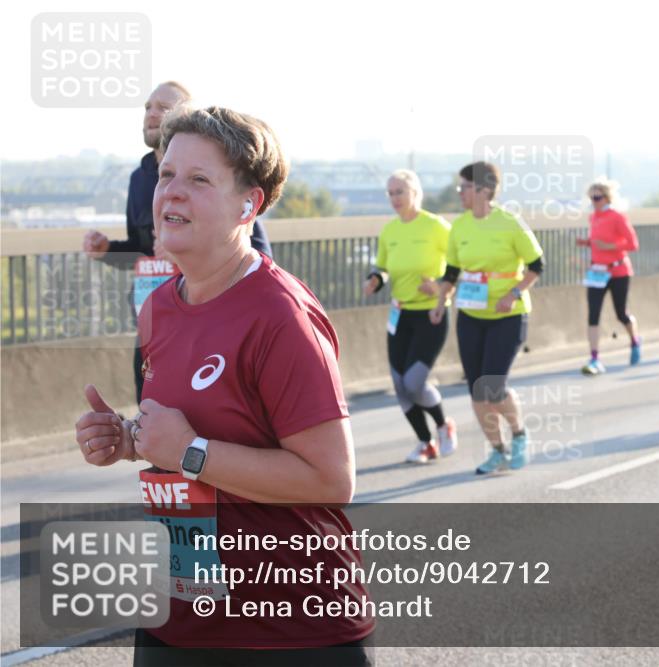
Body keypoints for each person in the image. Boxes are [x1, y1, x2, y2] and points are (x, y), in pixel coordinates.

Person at [73, 106, 373, 665]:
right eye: (166, 175)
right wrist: (128, 439)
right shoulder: (160, 306)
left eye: (199, 179)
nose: (172, 193)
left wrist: (190, 452)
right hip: (179, 617)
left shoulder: (280, 314)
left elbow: (331, 480)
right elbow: (187, 433)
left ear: (248, 205)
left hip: (289, 630)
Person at [82, 82, 272, 404]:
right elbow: (143, 251)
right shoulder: (140, 178)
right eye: (147, 107)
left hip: (207, 325)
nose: (152, 114)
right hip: (154, 320)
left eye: (163, 108)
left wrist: (183, 248)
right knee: (151, 420)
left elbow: (257, 253)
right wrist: (108, 251)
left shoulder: (220, 173)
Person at [430, 162, 544, 475]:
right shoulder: (461, 226)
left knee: (492, 384)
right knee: (477, 389)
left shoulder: (509, 223)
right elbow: (451, 272)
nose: (460, 193)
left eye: (464, 187)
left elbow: (537, 265)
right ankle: (497, 450)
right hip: (470, 313)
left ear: (483, 189)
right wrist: (441, 302)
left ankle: (519, 434)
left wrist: (513, 294)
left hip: (508, 314)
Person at [364, 169, 458, 464]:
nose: (394, 198)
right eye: (390, 193)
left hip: (430, 313)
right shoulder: (390, 231)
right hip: (400, 315)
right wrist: (375, 280)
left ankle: (443, 425)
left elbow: (459, 265)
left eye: (400, 192)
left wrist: (441, 287)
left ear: (415, 193)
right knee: (399, 386)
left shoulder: (436, 227)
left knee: (414, 383)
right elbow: (382, 267)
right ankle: (425, 443)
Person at [575, 179, 641, 375]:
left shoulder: (617, 217)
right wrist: (587, 243)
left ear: (607, 197)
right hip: (597, 272)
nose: (594, 201)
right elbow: (597, 241)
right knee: (593, 314)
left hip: (618, 271)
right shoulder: (593, 218)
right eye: (591, 198)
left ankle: (635, 341)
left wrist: (610, 247)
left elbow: (633, 244)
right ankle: (594, 358)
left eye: (597, 197)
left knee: (621, 313)